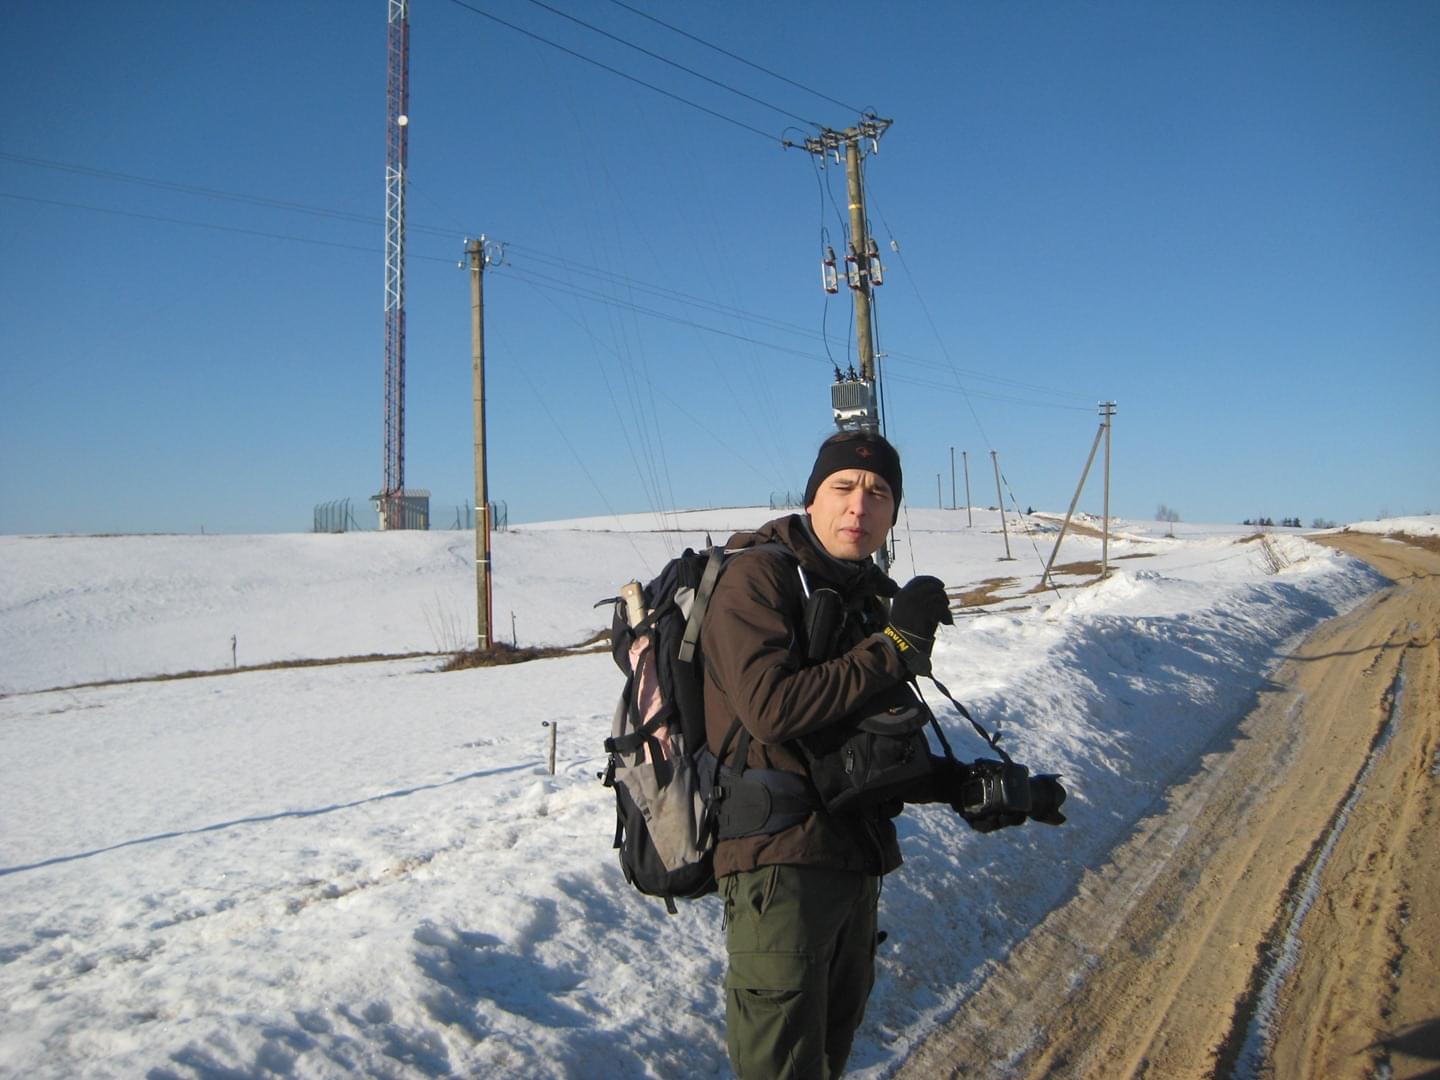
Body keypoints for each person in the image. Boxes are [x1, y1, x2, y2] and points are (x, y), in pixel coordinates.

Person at [701, 429, 957, 1079]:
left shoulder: (864, 592)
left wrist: (963, 786)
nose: (859, 506)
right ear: (812, 497)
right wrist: (893, 648)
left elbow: (869, 742)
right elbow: (771, 709)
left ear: (893, 513)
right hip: (779, 866)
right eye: (843, 487)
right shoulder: (757, 577)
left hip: (851, 859)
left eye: (878, 494)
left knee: (829, 1057)